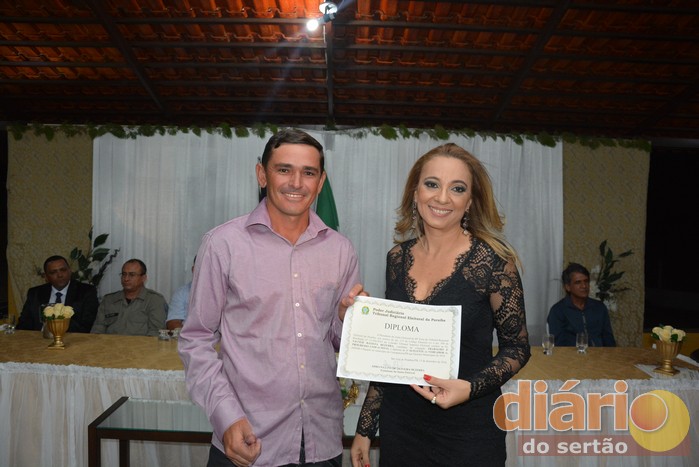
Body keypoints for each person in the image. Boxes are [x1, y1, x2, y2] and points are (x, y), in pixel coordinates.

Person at [178, 128, 366, 467]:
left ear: (321, 182)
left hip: (322, 439)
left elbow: (336, 341)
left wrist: (344, 318)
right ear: (262, 175)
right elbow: (196, 339)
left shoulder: (341, 250)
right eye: (284, 169)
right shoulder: (223, 244)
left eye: (308, 173)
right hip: (248, 438)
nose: (296, 182)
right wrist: (226, 416)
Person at [350, 143, 531, 467]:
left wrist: (469, 388)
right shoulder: (397, 258)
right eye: (432, 184)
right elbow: (391, 353)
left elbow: (517, 348)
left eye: (457, 188)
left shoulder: (494, 262)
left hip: (468, 431)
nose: (443, 198)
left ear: (470, 201)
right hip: (401, 427)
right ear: (415, 192)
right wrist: (365, 429)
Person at [17, 255, 99, 333]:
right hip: (39, 338)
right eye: (53, 272)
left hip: (72, 339)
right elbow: (23, 325)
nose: (60, 275)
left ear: (70, 271)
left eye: (63, 270)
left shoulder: (86, 291)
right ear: (46, 277)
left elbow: (88, 326)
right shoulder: (35, 293)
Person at [90, 258, 167, 336]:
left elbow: (156, 333)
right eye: (124, 274)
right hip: (109, 343)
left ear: (143, 278)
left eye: (132, 275)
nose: (126, 279)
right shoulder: (109, 300)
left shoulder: (154, 300)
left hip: (140, 343)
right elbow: (97, 330)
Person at [547, 262, 616, 347]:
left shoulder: (599, 307)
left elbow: (609, 340)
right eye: (578, 282)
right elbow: (559, 345)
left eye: (586, 281)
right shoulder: (558, 311)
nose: (584, 286)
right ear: (568, 287)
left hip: (600, 354)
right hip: (572, 354)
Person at [166, 256, 195, 330]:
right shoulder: (181, 293)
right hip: (187, 335)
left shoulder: (221, 293)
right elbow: (173, 322)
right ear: (193, 270)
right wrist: (190, 335)